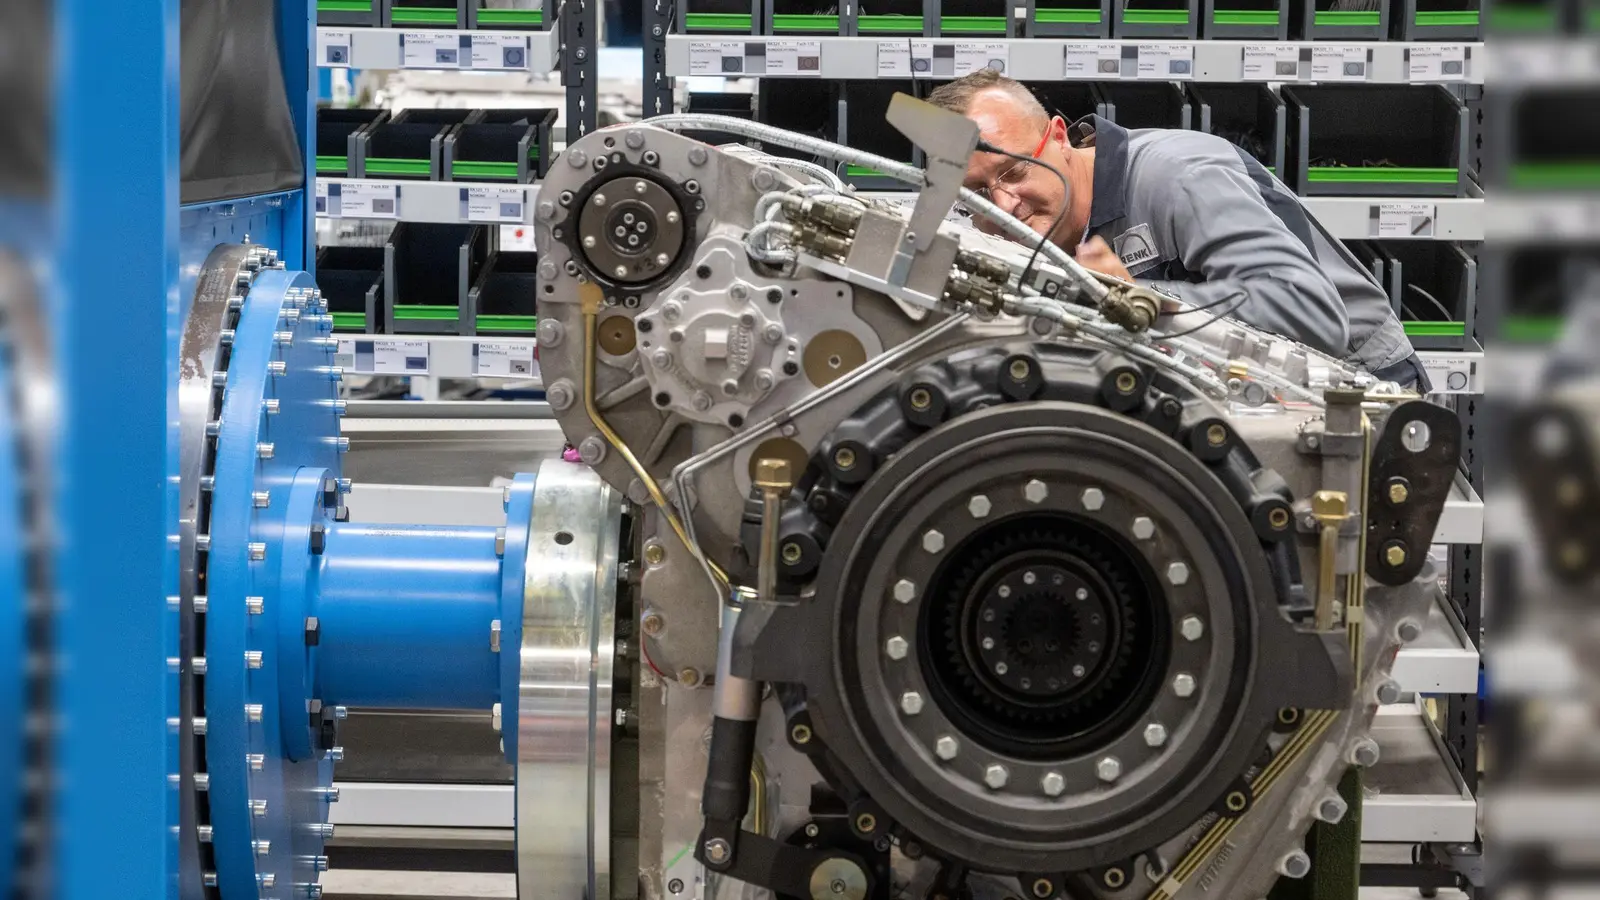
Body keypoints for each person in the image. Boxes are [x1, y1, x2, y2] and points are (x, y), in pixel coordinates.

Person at [925, 69, 1429, 389]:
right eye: (976, 193)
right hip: (1244, 383)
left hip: (1360, 385)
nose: (1004, 205)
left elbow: (1312, 313)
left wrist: (1137, 297)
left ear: (1059, 136)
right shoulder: (1006, 218)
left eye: (1015, 171)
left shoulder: (1180, 178)